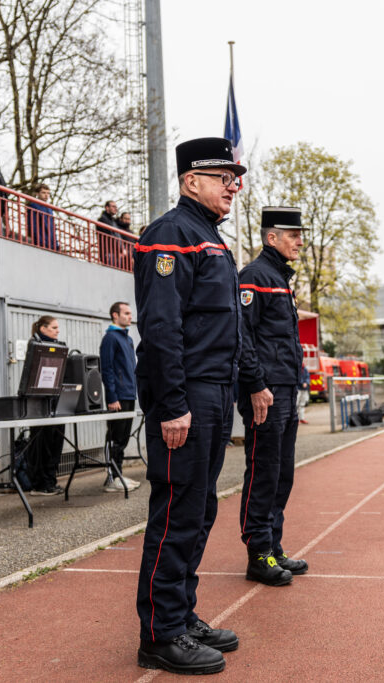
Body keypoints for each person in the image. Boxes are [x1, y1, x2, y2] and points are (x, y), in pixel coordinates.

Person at [133, 137, 245, 675]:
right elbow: (161, 328)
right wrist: (174, 403)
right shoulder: (172, 233)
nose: (232, 186)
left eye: (234, 178)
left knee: (199, 511)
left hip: (214, 392)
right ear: (190, 181)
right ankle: (160, 633)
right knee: (177, 512)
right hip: (188, 395)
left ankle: (181, 615)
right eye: (223, 177)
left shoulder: (209, 237)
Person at [237, 205, 311, 589]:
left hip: (285, 387)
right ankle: (259, 553)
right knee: (263, 472)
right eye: (293, 235)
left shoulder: (280, 278)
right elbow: (242, 337)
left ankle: (274, 546)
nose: (299, 242)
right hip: (265, 391)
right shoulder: (255, 276)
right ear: (272, 238)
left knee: (282, 473)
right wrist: (255, 385)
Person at [99, 301, 141, 492]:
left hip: (129, 394)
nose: (130, 316)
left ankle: (118, 475)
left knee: (123, 439)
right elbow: (107, 369)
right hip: (118, 397)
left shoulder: (128, 339)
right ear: (115, 315)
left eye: (130, 313)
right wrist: (112, 397)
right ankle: (111, 478)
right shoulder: (110, 338)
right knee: (114, 438)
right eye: (126, 313)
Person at [26, 316, 66, 496]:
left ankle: (51, 481)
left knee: (56, 443)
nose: (58, 331)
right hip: (39, 403)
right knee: (42, 444)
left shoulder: (59, 346)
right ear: (43, 328)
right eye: (54, 327)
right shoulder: (35, 345)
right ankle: (39, 484)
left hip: (56, 401)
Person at [27, 184, 59, 250]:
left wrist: (56, 244)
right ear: (37, 194)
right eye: (43, 193)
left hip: (51, 244)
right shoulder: (33, 206)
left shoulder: (50, 209)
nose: (46, 195)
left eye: (48, 193)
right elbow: (33, 226)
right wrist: (39, 241)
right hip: (41, 242)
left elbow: (52, 228)